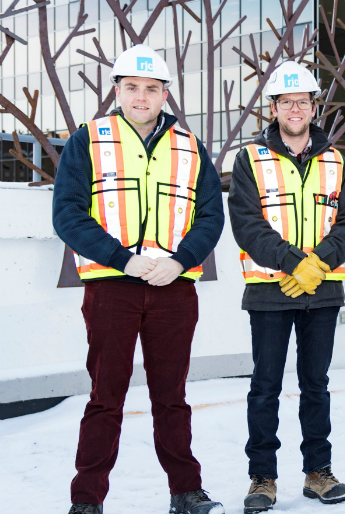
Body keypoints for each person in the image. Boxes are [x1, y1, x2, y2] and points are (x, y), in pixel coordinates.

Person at [52, 44, 225, 514]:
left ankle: (186, 492)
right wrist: (123, 259)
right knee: (105, 397)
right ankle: (87, 500)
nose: (141, 97)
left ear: (165, 94)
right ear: (117, 91)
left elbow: (211, 214)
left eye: (151, 89)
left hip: (174, 287)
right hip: (112, 287)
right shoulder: (88, 139)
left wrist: (180, 260)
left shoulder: (189, 145)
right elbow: (66, 213)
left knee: (172, 398)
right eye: (132, 88)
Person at [228, 60, 345, 513]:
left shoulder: (335, 159)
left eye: (302, 101)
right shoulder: (250, 158)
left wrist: (318, 264)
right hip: (269, 290)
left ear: (312, 105)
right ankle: (262, 478)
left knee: (316, 386)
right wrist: (292, 263)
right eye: (286, 102)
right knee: (265, 387)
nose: (295, 108)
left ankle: (317, 473)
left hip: (321, 292)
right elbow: (246, 224)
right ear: (274, 108)